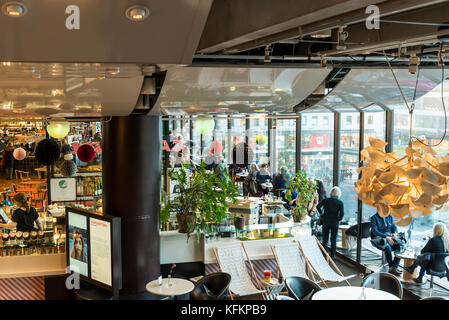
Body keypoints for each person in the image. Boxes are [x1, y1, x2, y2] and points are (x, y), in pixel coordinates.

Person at [370, 211, 402, 276]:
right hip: (379, 238)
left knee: (400, 246)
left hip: (390, 236)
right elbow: (374, 231)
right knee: (387, 247)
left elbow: (394, 226)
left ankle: (394, 267)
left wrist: (395, 233)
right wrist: (386, 237)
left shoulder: (389, 216)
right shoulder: (374, 217)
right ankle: (391, 267)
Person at [317, 186, 344, 259]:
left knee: (325, 239)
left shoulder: (326, 200)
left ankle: (324, 255)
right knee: (333, 240)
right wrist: (338, 219)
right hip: (334, 222)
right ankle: (332, 257)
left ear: (331, 193)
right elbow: (342, 214)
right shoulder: (340, 203)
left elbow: (318, 207)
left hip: (326, 221)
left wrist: (322, 214)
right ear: (338, 194)